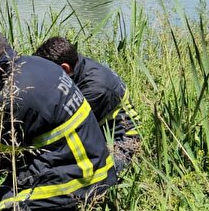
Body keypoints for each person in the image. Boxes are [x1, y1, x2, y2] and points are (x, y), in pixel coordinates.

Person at [0, 27, 114, 211]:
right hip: (95, 160)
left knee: (4, 208)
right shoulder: (38, 64)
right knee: (10, 189)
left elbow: (1, 159)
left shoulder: (12, 98)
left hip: (85, 175)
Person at [35, 36, 141, 180]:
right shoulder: (77, 65)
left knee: (84, 177)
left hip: (122, 142)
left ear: (64, 68)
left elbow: (63, 127)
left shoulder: (95, 88)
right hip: (99, 131)